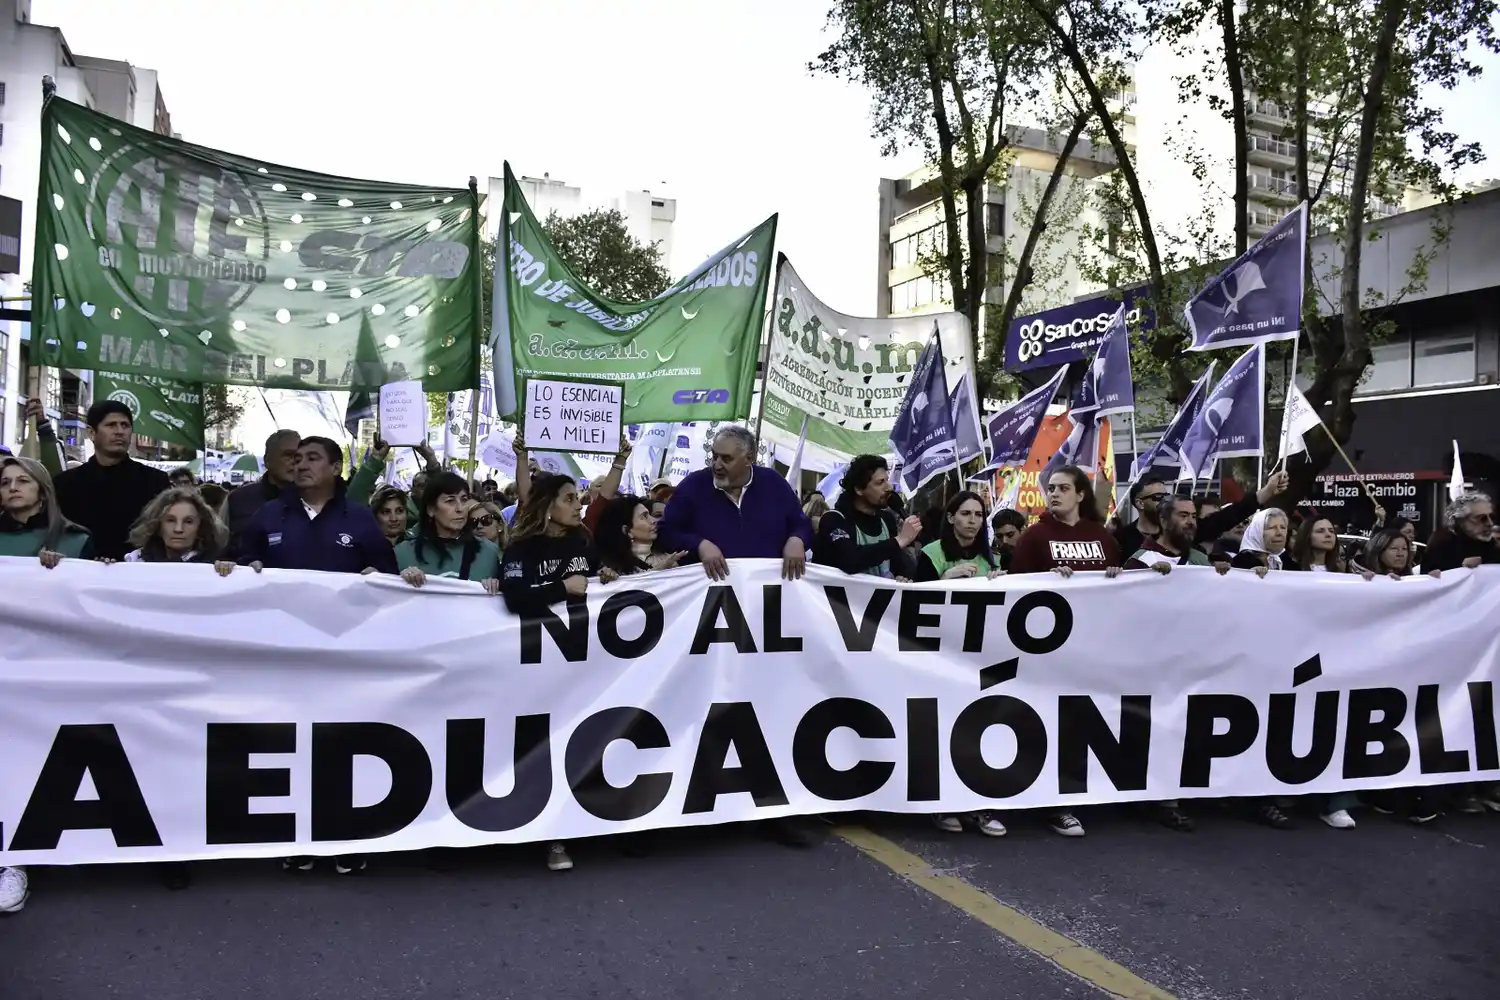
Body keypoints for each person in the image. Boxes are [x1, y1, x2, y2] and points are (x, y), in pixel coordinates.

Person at [499, 472, 598, 873]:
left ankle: (565, 829)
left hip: (579, 666)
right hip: (533, 666)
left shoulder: (585, 542)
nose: (578, 505)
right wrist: (563, 588)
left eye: (578, 498)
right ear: (547, 506)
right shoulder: (522, 548)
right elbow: (515, 597)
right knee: (538, 744)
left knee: (575, 740)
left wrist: (605, 578)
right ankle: (541, 831)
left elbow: (598, 584)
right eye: (570, 498)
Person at [656, 425, 813, 584]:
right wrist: (699, 545)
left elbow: (801, 524)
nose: (717, 465)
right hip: (711, 596)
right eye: (714, 456)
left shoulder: (774, 483)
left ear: (749, 458)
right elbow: (665, 532)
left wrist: (797, 539)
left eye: (726, 459)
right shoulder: (692, 486)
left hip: (767, 593)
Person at [240, 436, 398, 578]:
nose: (301, 466)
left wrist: (378, 574)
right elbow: (239, 561)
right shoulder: (268, 514)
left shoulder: (360, 518)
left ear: (336, 468)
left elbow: (389, 572)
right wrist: (247, 567)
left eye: (312, 459)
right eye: (297, 461)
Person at [41, 400, 171, 562]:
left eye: (125, 425)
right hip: (80, 575)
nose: (119, 432)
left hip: (138, 574)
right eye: (111, 425)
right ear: (91, 433)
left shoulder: (155, 481)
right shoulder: (65, 484)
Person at [811, 455, 922, 578]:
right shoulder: (834, 519)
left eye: (887, 480)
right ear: (859, 489)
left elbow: (895, 563)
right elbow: (850, 560)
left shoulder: (886, 520)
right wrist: (899, 540)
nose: (889, 488)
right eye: (880, 482)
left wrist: (900, 576)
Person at [395, 472, 501, 593]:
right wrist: (399, 580)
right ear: (431, 509)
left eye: (464, 499)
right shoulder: (403, 554)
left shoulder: (489, 553)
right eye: (450, 501)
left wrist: (497, 587)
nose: (460, 508)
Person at [1010, 466, 1123, 577]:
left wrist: (1115, 572)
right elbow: (1018, 581)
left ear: (1080, 495)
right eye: (1051, 489)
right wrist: (1048, 577)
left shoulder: (1102, 536)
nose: (1055, 494)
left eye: (1064, 488)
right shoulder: (1033, 535)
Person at [0, 456, 93, 564]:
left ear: (43, 492)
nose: (12, 487)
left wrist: (62, 566)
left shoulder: (76, 539)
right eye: (5, 483)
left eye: (23, 481)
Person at [224, 429, 302, 556]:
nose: (295, 462)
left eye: (299, 457)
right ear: (267, 461)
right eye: (288, 455)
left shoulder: (313, 500)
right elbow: (223, 547)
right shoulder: (239, 499)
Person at [123, 487, 236, 574]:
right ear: (158, 525)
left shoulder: (216, 566)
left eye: (188, 521)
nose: (178, 529)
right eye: (170, 520)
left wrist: (230, 572)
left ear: (200, 527)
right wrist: (106, 569)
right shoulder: (134, 561)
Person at [913, 491, 1005, 582]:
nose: (972, 520)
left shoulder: (994, 557)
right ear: (950, 518)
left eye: (978, 514)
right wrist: (945, 578)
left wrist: (997, 584)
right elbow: (920, 596)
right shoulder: (932, 553)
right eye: (965, 513)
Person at [594, 494, 688, 579]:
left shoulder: (668, 558)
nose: (653, 520)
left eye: (650, 515)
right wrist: (657, 571)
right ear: (627, 530)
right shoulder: (611, 569)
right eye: (644, 517)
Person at [1424, 492, 1499, 575]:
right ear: (1461, 521)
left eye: (1492, 517)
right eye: (1482, 518)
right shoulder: (1441, 543)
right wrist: (1460, 567)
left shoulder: (1490, 543)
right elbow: (1427, 580)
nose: (1490, 523)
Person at [1231, 508, 1290, 576]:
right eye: (1272, 528)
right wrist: (1249, 575)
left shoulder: (1288, 562)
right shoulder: (1240, 562)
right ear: (1257, 532)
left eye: (1283, 527)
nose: (1279, 533)